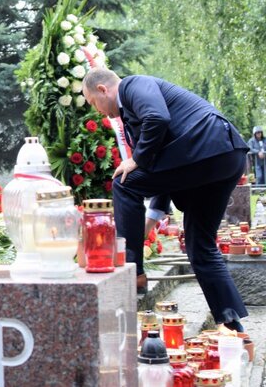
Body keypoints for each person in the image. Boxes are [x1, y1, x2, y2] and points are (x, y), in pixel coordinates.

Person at [82, 67, 249, 332]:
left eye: (94, 103)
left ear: (103, 89)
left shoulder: (133, 85)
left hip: (205, 147)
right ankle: (233, 327)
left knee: (123, 182)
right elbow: (162, 171)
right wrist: (151, 221)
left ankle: (133, 271)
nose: (98, 111)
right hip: (224, 156)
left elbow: (157, 118)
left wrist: (135, 159)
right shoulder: (130, 112)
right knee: (200, 246)